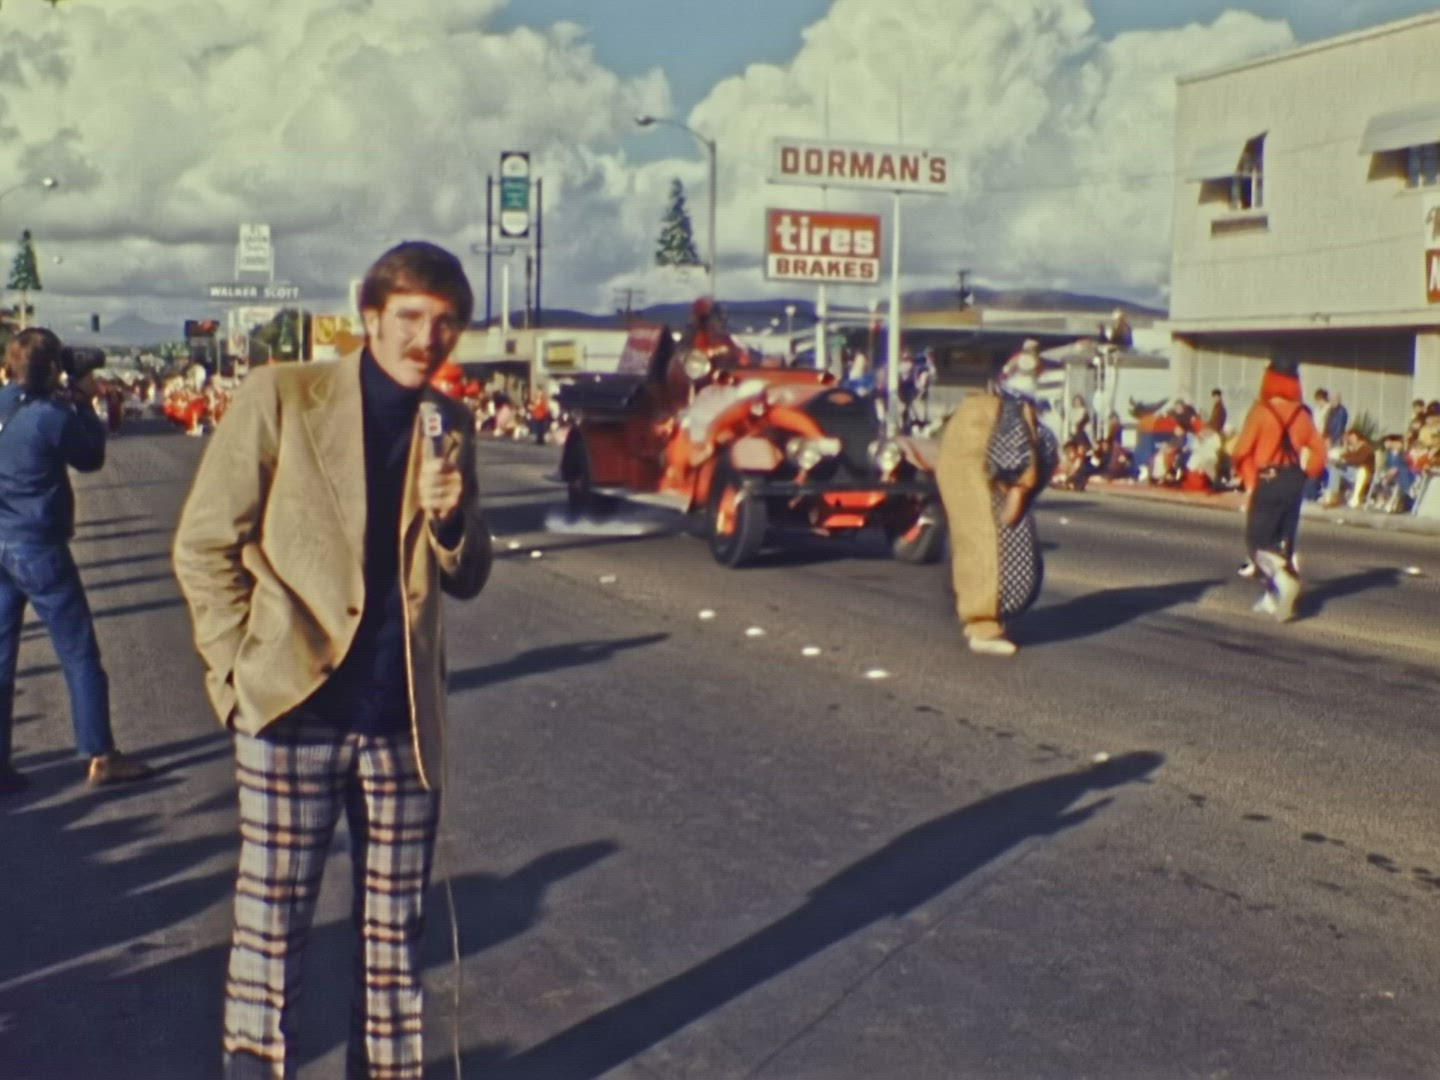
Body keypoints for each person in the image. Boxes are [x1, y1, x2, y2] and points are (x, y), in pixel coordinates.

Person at [173, 242, 493, 1079]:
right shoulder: (283, 395)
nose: (428, 338)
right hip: (292, 712)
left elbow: (468, 575)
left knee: (396, 941)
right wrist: (237, 678)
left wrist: (451, 520)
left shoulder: (449, 425)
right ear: (371, 315)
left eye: (445, 323)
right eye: (411, 317)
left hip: (401, 723)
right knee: (271, 930)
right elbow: (205, 543)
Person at [0, 329, 154, 795]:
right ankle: (100, 754)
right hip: (38, 546)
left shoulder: (7, 405)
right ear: (51, 368)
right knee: (78, 652)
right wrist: (83, 402)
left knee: (2, 657)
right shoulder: (50, 416)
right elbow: (91, 456)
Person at [935, 348, 1060, 657]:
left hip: (965, 474)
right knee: (992, 549)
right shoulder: (1012, 409)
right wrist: (1020, 490)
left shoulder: (972, 409)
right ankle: (985, 625)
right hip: (991, 489)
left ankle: (978, 618)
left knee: (971, 542)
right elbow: (1016, 456)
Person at [1230, 360, 1326, 621]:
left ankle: (1283, 582)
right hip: (1294, 480)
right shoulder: (1302, 414)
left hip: (1268, 479)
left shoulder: (1260, 411)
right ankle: (1272, 598)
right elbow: (1319, 450)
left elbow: (1240, 451)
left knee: (1258, 543)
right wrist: (1308, 474)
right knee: (1283, 541)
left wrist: (1250, 479)